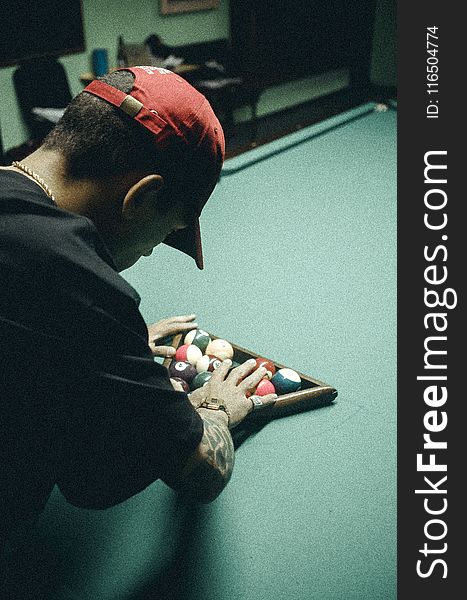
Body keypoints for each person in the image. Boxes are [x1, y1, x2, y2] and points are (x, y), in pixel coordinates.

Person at [0, 66, 276, 575]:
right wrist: (215, 408)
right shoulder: (72, 275)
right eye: (165, 232)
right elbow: (200, 472)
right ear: (143, 196)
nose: (150, 252)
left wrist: (108, 346)